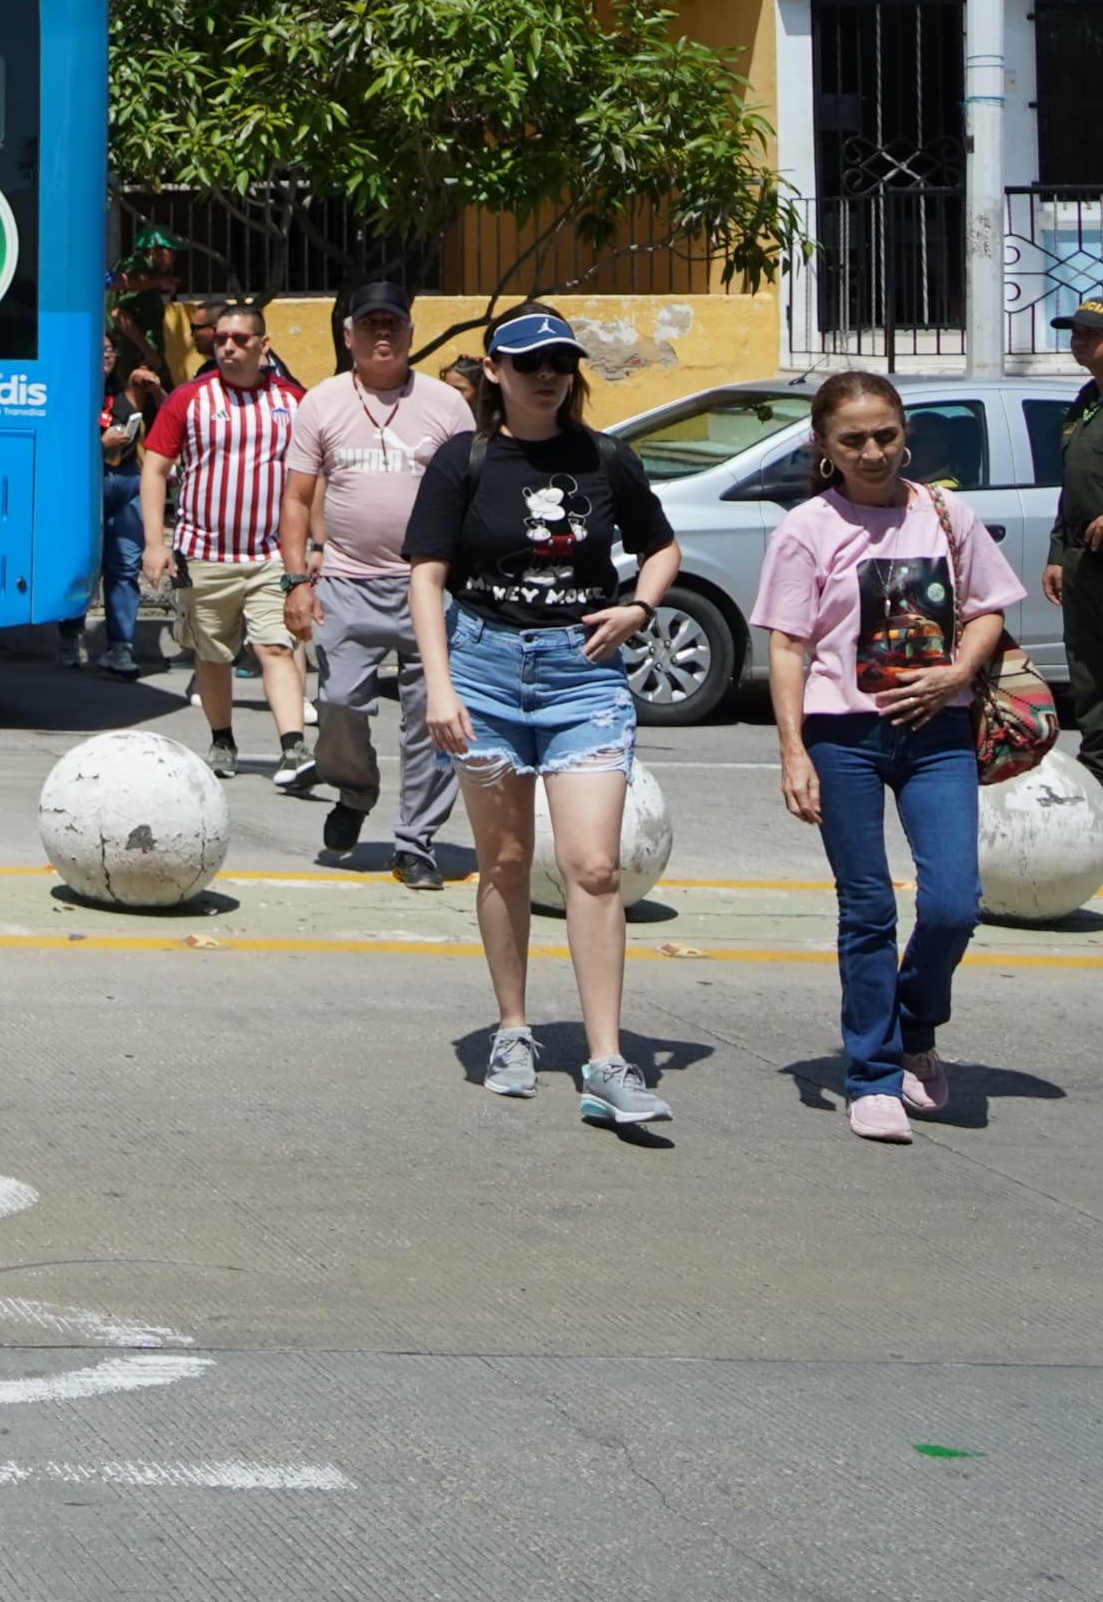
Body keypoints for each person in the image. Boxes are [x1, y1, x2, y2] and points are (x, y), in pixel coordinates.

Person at [406, 305, 686, 1130]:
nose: (547, 375)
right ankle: (514, 1028)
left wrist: (640, 605)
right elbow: (427, 578)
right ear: (494, 371)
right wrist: (439, 686)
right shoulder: (466, 459)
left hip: (584, 675)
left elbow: (660, 545)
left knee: (595, 866)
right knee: (506, 860)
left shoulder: (606, 458)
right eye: (528, 363)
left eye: (559, 361)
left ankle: (606, 1061)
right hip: (484, 673)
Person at [752, 371, 1013, 1143]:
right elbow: (789, 646)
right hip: (844, 734)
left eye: (885, 435)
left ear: (906, 433)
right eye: (853, 440)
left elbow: (992, 605)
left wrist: (960, 671)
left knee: (953, 904)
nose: (872, 452)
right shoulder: (807, 527)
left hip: (938, 733)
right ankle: (872, 1072)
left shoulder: (941, 508)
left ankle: (915, 1021)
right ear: (824, 447)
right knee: (867, 907)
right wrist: (793, 750)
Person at [281, 280, 477, 882]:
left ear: (412, 333)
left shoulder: (447, 406)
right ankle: (354, 788)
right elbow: (296, 498)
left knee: (432, 719)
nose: (382, 334)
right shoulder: (322, 402)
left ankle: (415, 841)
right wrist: (295, 579)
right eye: (369, 325)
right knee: (339, 702)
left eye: (393, 323)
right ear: (349, 335)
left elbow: (474, 494)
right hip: (345, 580)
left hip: (430, 584)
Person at [140, 301, 311, 777]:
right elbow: (154, 469)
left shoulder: (293, 401)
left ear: (264, 345)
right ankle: (222, 741)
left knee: (276, 646)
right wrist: (156, 542)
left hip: (271, 553)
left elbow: (314, 477)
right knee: (212, 653)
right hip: (204, 553)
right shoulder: (189, 399)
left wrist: (316, 544)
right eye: (221, 340)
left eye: (240, 339)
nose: (229, 347)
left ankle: (294, 748)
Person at [93, 314, 166, 676]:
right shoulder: (69, 393)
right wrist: (99, 445)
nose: (105, 356)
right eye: (98, 349)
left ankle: (120, 648)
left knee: (123, 567)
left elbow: (170, 417)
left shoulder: (126, 394)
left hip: (126, 487)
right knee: (83, 565)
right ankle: (68, 637)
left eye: (109, 350)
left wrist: (150, 388)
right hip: (86, 489)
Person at [1047, 300, 1103, 765]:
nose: (1077, 340)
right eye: (1074, 331)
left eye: (1090, 333)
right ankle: (1099, 763)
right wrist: (1057, 553)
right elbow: (1072, 484)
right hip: (1085, 561)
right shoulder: (1087, 398)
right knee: (1086, 664)